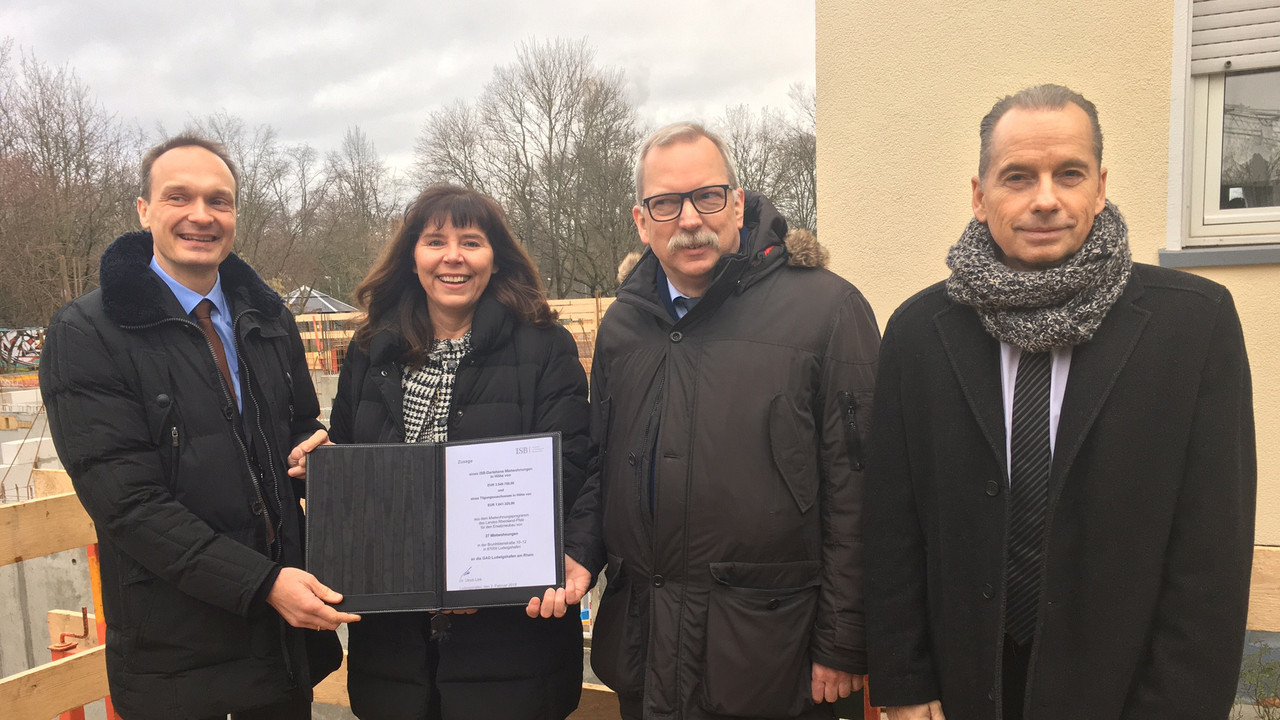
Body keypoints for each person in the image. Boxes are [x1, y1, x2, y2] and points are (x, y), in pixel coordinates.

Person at [863, 85, 1256, 720]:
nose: (1045, 199)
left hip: (1126, 691)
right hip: (963, 689)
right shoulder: (918, 331)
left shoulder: (1195, 326)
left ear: (1099, 187)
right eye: (1017, 177)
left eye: (1067, 174)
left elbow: (1212, 554)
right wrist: (905, 685)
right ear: (979, 194)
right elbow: (891, 526)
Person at [528, 122, 881, 720]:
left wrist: (845, 639)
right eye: (666, 203)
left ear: (737, 204)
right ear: (641, 222)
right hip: (646, 649)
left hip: (772, 658)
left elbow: (861, 488)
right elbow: (602, 462)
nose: (689, 218)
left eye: (707, 196)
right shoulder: (623, 327)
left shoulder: (828, 310)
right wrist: (580, 549)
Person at [39, 135, 357, 720]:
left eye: (220, 200)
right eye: (178, 197)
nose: (201, 216)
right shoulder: (88, 333)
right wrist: (262, 583)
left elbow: (298, 423)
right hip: (178, 653)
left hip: (280, 647)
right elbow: (128, 504)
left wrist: (317, 455)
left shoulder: (267, 317)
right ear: (144, 211)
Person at [325, 184, 589, 720]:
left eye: (471, 241)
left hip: (512, 651)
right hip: (394, 654)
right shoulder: (369, 352)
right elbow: (351, 470)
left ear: (496, 258)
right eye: (434, 241)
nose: (453, 256)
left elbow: (576, 469)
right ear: (412, 257)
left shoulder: (544, 346)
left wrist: (546, 561)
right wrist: (320, 469)